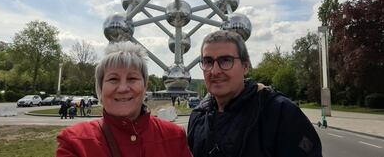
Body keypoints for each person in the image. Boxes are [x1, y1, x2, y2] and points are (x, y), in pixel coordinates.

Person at [187, 30, 322, 157]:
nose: (215, 71)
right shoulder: (198, 116)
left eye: (226, 60)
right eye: (208, 61)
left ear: (245, 66)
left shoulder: (279, 113)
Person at [56, 41, 193, 157]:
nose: (122, 88)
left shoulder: (175, 136)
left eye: (132, 78)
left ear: (145, 86)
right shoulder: (75, 143)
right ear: (100, 87)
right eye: (113, 79)